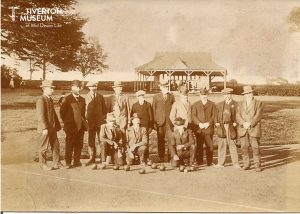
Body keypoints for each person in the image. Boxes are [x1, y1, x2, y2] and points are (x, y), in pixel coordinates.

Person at [60, 80, 88, 169]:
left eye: (80, 87)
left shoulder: (82, 99)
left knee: (79, 145)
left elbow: (83, 114)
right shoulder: (67, 99)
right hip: (70, 127)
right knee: (69, 144)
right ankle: (68, 162)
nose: (79, 89)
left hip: (81, 127)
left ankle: (77, 161)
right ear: (72, 88)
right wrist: (68, 123)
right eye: (77, 87)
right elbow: (62, 113)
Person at [36, 80, 63, 170]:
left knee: (56, 146)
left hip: (52, 128)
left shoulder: (50, 99)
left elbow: (53, 114)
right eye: (51, 88)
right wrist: (44, 128)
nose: (53, 90)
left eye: (53, 88)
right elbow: (41, 115)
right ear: (44, 89)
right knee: (43, 147)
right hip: (45, 129)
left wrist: (58, 126)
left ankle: (57, 163)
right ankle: (43, 164)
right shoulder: (41, 100)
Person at [236, 85, 263, 172]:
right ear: (244, 95)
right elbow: (237, 115)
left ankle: (257, 165)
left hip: (254, 128)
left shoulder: (258, 103)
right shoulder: (240, 104)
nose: (248, 95)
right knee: (244, 148)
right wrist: (243, 123)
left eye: (249, 93)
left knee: (255, 148)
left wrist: (250, 124)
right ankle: (246, 163)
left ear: (252, 93)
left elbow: (258, 115)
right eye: (246, 93)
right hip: (243, 128)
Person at [214, 88, 240, 169]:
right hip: (221, 126)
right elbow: (215, 115)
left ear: (230, 95)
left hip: (231, 126)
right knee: (221, 144)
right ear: (223, 95)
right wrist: (216, 122)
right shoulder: (219, 104)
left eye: (228, 94)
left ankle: (235, 163)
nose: (226, 96)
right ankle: (220, 163)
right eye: (225, 95)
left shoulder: (236, 104)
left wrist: (236, 122)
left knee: (232, 144)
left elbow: (238, 115)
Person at [191, 88, 216, 166]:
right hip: (199, 129)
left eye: (205, 94)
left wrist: (209, 123)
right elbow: (193, 116)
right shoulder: (195, 104)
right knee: (199, 145)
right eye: (202, 95)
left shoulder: (212, 104)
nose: (204, 96)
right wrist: (199, 124)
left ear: (207, 95)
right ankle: (199, 161)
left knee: (210, 146)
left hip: (208, 128)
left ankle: (209, 162)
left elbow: (214, 115)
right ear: (200, 95)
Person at [152, 79, 175, 162]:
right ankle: (161, 157)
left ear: (167, 87)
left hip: (169, 122)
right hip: (159, 122)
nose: (164, 88)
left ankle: (170, 156)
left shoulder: (171, 96)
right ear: (160, 87)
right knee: (160, 140)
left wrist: (173, 121)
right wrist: (154, 122)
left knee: (170, 139)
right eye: (163, 87)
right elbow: (153, 110)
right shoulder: (156, 97)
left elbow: (174, 109)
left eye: (166, 86)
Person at [85, 81, 107, 166]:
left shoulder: (100, 97)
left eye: (95, 86)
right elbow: (84, 110)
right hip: (90, 122)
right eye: (92, 87)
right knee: (91, 140)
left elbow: (104, 109)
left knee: (101, 139)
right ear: (89, 88)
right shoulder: (85, 97)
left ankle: (103, 157)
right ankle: (92, 157)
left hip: (100, 122)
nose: (93, 88)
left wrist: (102, 118)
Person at [130, 90, 153, 163]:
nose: (141, 98)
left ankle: (146, 157)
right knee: (135, 140)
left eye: (142, 96)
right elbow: (132, 116)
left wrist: (150, 127)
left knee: (146, 142)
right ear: (137, 97)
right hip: (137, 126)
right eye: (140, 96)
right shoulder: (134, 105)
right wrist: (132, 126)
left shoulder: (148, 104)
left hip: (146, 127)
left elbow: (151, 117)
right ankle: (136, 156)